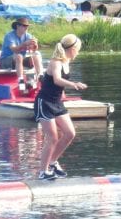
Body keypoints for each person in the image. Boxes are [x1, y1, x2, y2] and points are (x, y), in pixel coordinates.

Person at [34, 34, 88, 180]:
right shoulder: (56, 62)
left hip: (56, 103)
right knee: (52, 137)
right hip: (44, 102)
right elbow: (57, 80)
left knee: (70, 133)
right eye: (78, 49)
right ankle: (43, 172)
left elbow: (56, 85)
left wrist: (62, 96)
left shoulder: (67, 62)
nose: (78, 52)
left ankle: (53, 162)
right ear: (72, 48)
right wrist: (74, 84)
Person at [0, 17, 43, 91]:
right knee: (19, 56)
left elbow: (33, 49)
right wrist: (24, 44)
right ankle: (21, 81)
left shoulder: (28, 36)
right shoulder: (9, 36)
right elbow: (14, 49)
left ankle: (40, 77)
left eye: (27, 26)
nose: (26, 28)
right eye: (24, 26)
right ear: (18, 26)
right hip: (6, 61)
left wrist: (35, 45)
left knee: (36, 55)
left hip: (19, 60)